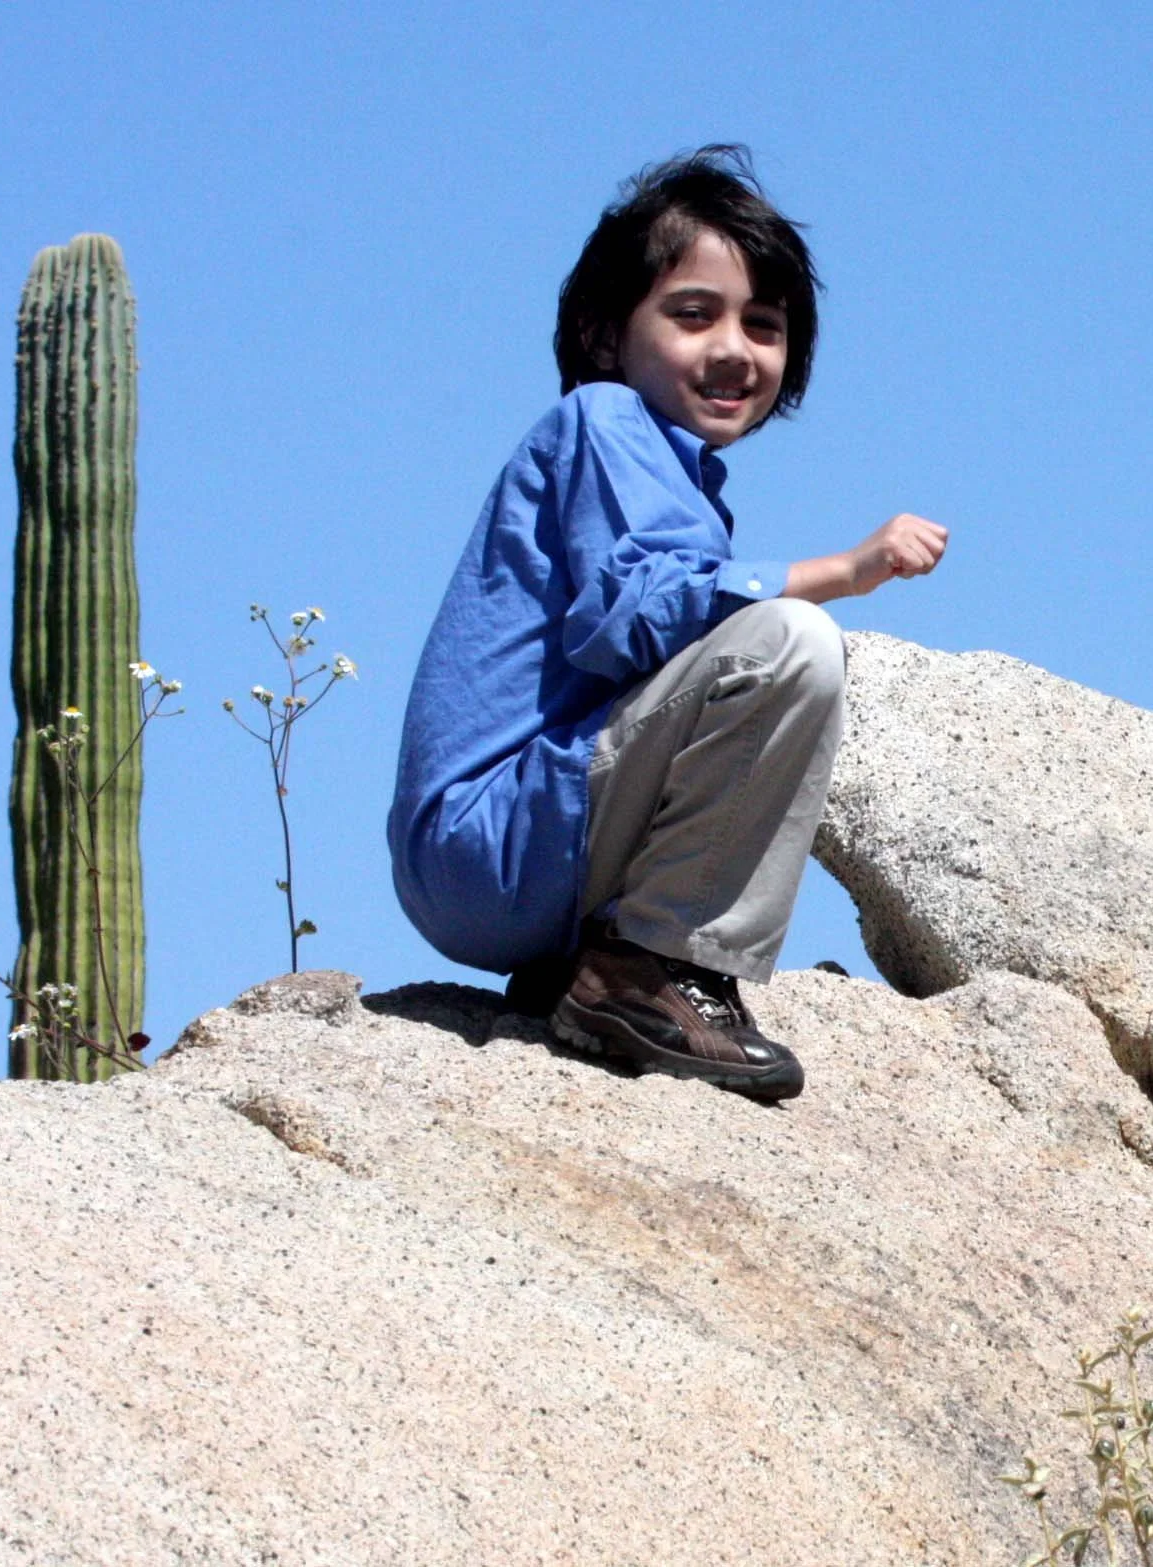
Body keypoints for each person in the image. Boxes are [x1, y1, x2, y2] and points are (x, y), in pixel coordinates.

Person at [387, 146, 947, 1102]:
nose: (734, 347)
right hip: (493, 840)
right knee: (787, 643)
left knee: (768, 640)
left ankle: (597, 970)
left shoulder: (664, 469)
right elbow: (630, 616)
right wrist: (839, 573)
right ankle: (650, 973)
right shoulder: (601, 420)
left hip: (514, 871)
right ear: (606, 335)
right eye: (694, 314)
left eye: (762, 325)